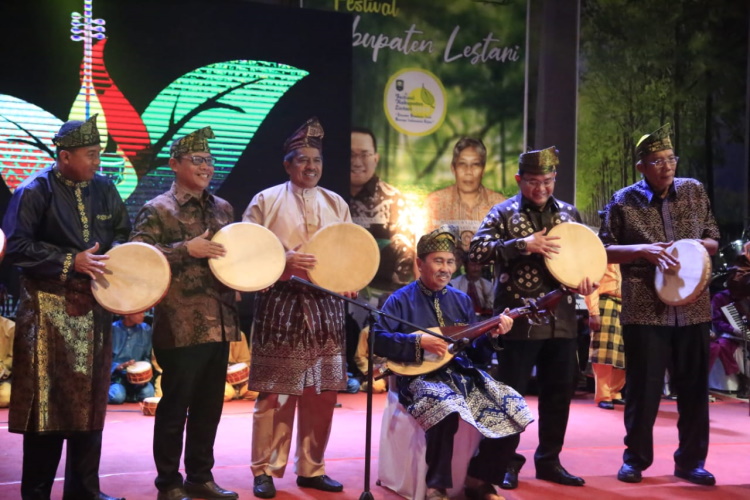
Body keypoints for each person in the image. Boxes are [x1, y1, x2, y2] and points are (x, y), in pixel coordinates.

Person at [1, 115, 129, 500]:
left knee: (91, 405)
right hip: (47, 311)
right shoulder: (34, 190)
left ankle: (84, 491)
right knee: (48, 407)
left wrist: (121, 253)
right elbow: (18, 247)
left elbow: (122, 232)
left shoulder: (104, 189)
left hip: (95, 309)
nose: (96, 163)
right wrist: (72, 261)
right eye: (90, 155)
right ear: (65, 155)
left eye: (98, 155)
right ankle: (37, 493)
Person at [372, 225, 533, 500]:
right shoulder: (398, 300)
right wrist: (418, 342)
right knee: (444, 407)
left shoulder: (461, 300)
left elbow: (473, 353)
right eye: (438, 261)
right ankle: (437, 486)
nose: (445, 268)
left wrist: (493, 335)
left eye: (450, 262)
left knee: (514, 407)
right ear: (419, 264)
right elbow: (378, 340)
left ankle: (479, 478)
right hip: (418, 378)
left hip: (461, 375)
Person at [599, 123, 720, 486]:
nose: (666, 167)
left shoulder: (694, 191)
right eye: (657, 161)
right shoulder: (623, 200)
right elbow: (604, 249)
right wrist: (643, 251)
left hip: (693, 306)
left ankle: (691, 461)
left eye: (670, 159)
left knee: (695, 390)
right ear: (641, 167)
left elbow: (712, 238)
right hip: (645, 310)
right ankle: (635, 459)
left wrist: (689, 250)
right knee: (643, 391)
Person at [470, 145, 597, 490]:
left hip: (563, 320)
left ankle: (549, 461)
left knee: (559, 393)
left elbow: (587, 257)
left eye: (546, 181)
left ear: (554, 178)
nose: (540, 189)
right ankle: (505, 463)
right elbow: (476, 251)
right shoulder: (503, 212)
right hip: (518, 320)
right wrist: (522, 244)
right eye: (532, 182)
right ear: (518, 179)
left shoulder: (570, 214)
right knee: (510, 395)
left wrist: (589, 278)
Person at [243, 117, 353, 499]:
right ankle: (265, 470)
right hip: (282, 303)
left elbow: (350, 252)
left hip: (327, 307)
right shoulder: (266, 200)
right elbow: (246, 254)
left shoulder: (336, 202)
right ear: (288, 164)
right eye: (303, 160)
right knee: (275, 392)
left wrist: (350, 279)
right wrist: (282, 262)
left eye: (317, 161)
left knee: (322, 392)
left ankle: (312, 467)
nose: (311, 168)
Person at [131, 127, 240, 500]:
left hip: (221, 320)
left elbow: (236, 255)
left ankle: (200, 477)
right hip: (180, 324)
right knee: (175, 407)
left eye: (209, 160)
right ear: (174, 164)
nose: (206, 167)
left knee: (210, 407)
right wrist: (184, 249)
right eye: (197, 160)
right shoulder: (157, 208)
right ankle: (168, 483)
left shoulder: (223, 208)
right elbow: (137, 258)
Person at [350, 127, 415, 292]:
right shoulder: (330, 198)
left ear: (376, 158)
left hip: (381, 292)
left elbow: (406, 250)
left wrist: (394, 293)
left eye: (364, 155)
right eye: (351, 154)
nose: (357, 162)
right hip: (335, 288)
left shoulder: (393, 198)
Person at [425, 138, 505, 253]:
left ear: (483, 170)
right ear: (453, 168)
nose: (468, 172)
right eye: (462, 164)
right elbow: (421, 254)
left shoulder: (499, 204)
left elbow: (507, 250)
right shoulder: (435, 202)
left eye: (475, 165)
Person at [584, 263, 626, 410]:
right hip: (606, 300)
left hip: (625, 303)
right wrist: (593, 312)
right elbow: (590, 282)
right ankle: (603, 394)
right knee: (604, 352)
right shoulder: (600, 255)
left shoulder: (627, 255)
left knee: (623, 351)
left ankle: (615, 391)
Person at [108, 312, 155, 404]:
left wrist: (143, 375)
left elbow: (146, 357)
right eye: (139, 313)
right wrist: (118, 366)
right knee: (117, 396)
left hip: (137, 379)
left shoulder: (146, 330)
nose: (143, 315)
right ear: (127, 314)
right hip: (117, 377)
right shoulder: (112, 329)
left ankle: (129, 394)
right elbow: (104, 358)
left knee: (148, 393)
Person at [224, 332, 259, 402]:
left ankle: (237, 392)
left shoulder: (238, 334)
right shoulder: (207, 336)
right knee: (227, 394)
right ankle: (235, 393)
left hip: (238, 380)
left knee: (255, 392)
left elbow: (245, 362)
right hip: (218, 379)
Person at [0, 316, 15, 408]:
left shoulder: (11, 328)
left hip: (3, 377)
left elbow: (13, 357)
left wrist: (3, 366)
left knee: (6, 396)